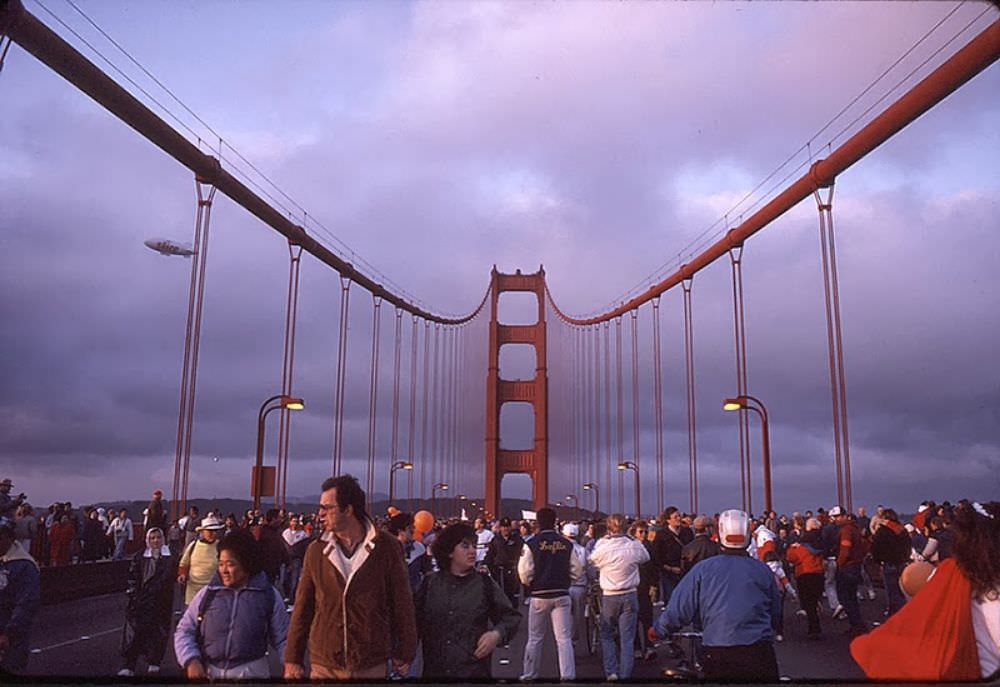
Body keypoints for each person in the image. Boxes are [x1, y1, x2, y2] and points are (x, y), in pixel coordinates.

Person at [284, 474, 417, 680]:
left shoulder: (387, 547)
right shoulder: (316, 551)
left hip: (370, 660)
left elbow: (402, 602)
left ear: (348, 509)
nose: (320, 514)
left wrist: (406, 650)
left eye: (327, 508)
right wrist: (292, 658)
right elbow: (303, 606)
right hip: (324, 661)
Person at [851, 500, 1000, 680]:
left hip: (962, 670)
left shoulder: (950, 574)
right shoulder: (903, 532)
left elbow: (915, 590)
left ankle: (891, 610)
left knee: (894, 597)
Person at [651, 509, 781, 681]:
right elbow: (775, 611)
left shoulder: (703, 570)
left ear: (720, 534)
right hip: (759, 650)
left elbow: (680, 608)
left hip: (719, 649)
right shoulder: (762, 570)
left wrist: (659, 629)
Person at [174, 530, 288, 679]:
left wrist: (291, 665)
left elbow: (284, 639)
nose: (224, 571)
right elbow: (184, 630)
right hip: (209, 672)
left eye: (230, 564)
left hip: (251, 673)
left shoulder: (268, 596)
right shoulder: (208, 594)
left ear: (247, 563)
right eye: (220, 564)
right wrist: (191, 660)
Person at [414, 522, 521, 679]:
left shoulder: (484, 584)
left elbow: (511, 617)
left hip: (474, 670)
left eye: (474, 546)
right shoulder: (429, 584)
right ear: (449, 551)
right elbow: (412, 622)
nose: (472, 551)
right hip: (436, 671)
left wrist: (496, 635)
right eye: (465, 546)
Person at [518, 507, 583, 681]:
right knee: (564, 639)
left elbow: (524, 572)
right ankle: (568, 676)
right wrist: (567, 580)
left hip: (539, 594)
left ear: (538, 522)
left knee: (535, 638)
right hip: (562, 594)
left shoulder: (531, 543)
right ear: (555, 521)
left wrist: (530, 583)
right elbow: (577, 570)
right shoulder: (566, 544)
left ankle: (530, 674)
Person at [589, 513, 650, 680]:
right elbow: (646, 558)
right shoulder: (634, 545)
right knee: (627, 638)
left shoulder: (602, 545)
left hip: (609, 595)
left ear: (608, 527)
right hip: (630, 594)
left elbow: (592, 561)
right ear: (626, 527)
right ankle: (625, 675)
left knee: (607, 635)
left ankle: (612, 672)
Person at [117, 528, 176, 676]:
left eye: (158, 537)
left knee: (158, 632)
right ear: (148, 540)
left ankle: (154, 661)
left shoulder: (170, 557)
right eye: (152, 538)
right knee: (133, 631)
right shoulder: (139, 557)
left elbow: (168, 578)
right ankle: (128, 665)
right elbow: (133, 576)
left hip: (160, 601)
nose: (156, 541)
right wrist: (133, 594)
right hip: (140, 600)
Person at [0, 516, 40, 674]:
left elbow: (27, 603)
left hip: (9, 633)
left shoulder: (24, 566)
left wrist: (8, 633)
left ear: (9, 538)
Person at [786, 518, 825, 638]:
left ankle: (814, 628)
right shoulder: (822, 539)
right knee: (814, 599)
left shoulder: (803, 542)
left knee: (807, 602)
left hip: (805, 573)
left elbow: (793, 557)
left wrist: (792, 548)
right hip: (819, 572)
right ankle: (816, 619)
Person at [832, 507, 867, 635]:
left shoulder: (846, 530)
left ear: (843, 516)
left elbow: (845, 550)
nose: (836, 520)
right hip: (855, 565)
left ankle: (857, 626)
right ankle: (857, 625)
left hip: (847, 567)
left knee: (845, 597)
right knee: (852, 597)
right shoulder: (855, 528)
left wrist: (839, 564)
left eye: (837, 517)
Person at [869, 508, 910, 617]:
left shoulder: (882, 531)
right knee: (901, 590)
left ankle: (895, 614)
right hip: (901, 563)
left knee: (891, 591)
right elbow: (908, 546)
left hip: (888, 563)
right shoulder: (902, 530)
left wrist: (878, 561)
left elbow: (875, 548)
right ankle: (904, 612)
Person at [177, 515, 223, 605]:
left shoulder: (221, 546)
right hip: (192, 591)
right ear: (202, 531)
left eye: (215, 531)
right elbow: (184, 563)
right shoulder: (193, 545)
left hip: (213, 590)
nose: (213, 534)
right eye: (210, 531)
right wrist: (182, 575)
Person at [651, 506, 692, 606]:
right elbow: (656, 556)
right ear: (668, 520)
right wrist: (669, 568)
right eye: (675, 517)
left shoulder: (687, 532)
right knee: (671, 600)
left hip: (685, 571)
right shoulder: (661, 535)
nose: (679, 518)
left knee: (685, 600)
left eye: (679, 516)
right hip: (669, 573)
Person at [484, 517, 524, 606]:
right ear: (500, 528)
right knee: (501, 594)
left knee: (513, 594)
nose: (505, 529)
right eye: (503, 526)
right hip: (499, 570)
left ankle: (514, 612)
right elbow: (490, 554)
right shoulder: (496, 539)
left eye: (507, 526)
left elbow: (523, 552)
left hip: (513, 569)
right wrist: (485, 564)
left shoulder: (517, 539)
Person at [281, 514, 310, 603]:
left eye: (296, 521)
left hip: (296, 559)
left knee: (294, 580)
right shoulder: (285, 533)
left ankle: (292, 598)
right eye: (293, 521)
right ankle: (286, 594)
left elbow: (305, 548)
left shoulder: (303, 535)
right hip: (285, 559)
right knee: (283, 579)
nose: (295, 523)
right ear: (290, 522)